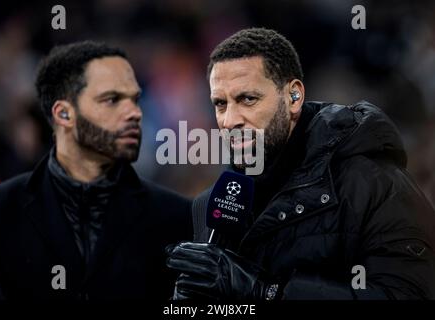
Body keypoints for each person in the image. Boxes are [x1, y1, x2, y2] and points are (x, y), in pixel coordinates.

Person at [166, 28, 435, 300]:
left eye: (247, 99)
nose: (230, 120)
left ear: (293, 97)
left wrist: (268, 293)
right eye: (220, 104)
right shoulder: (212, 204)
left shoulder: (374, 184)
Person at [0, 41, 191, 300]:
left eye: (134, 99)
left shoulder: (178, 219)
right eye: (112, 99)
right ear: (64, 114)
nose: (135, 113)